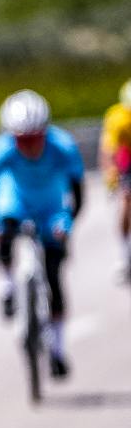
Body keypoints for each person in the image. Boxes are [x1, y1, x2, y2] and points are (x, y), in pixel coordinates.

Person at [0, 90, 85, 378]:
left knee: (54, 277)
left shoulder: (62, 147)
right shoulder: (1, 150)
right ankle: (7, 285)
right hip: (16, 202)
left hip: (51, 207)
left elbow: (78, 191)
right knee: (0, 231)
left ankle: (58, 350)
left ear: (45, 132)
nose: (28, 146)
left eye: (34, 138)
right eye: (21, 140)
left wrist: (68, 222)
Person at [100, 80, 131, 279]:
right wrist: (111, 176)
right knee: (126, 201)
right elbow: (109, 151)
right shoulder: (118, 118)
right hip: (127, 158)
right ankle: (123, 253)